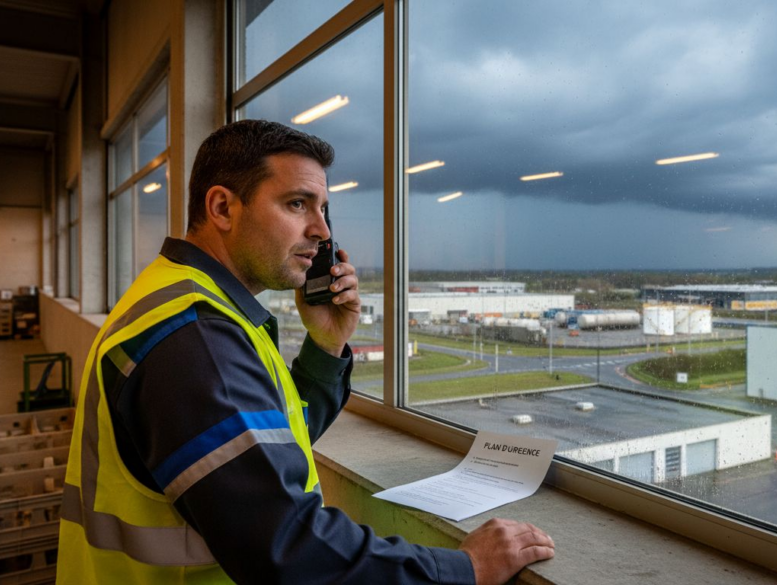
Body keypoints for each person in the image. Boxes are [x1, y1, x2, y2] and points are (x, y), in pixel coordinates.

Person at [56, 119, 555, 584]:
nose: (320, 230)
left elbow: (258, 450)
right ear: (222, 208)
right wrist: (461, 569)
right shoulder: (194, 338)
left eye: (323, 209)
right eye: (297, 204)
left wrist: (326, 341)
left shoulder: (184, 300)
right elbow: (286, 546)